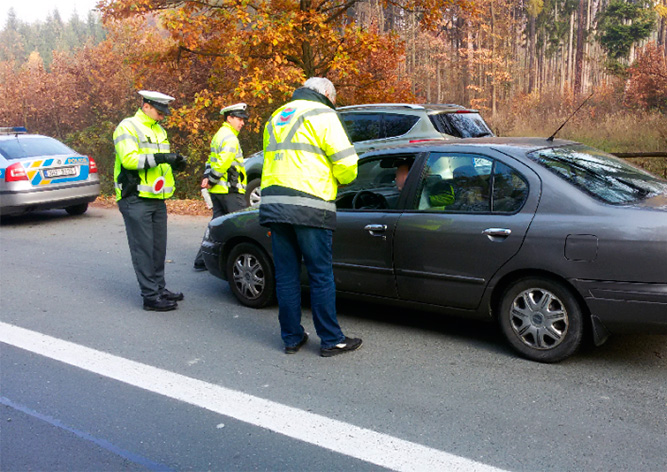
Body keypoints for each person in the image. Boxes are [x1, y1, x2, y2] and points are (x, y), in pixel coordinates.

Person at [259, 77, 362, 357]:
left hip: (275, 206)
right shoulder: (323, 114)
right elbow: (347, 163)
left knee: (287, 276)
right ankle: (331, 339)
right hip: (310, 205)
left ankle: (292, 338)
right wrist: (342, 179)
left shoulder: (277, 115)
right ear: (327, 93)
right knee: (320, 275)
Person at [113, 90, 187, 312]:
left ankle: (159, 288)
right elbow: (129, 160)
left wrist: (174, 164)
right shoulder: (127, 127)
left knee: (157, 248)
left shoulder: (159, 130)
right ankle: (150, 296)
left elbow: (158, 165)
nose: (162, 116)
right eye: (159, 111)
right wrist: (163, 158)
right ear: (145, 106)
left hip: (156, 197)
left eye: (164, 112)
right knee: (143, 249)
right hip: (135, 197)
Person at [193, 103, 250, 271]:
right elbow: (224, 161)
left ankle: (202, 260)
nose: (242, 123)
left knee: (216, 227)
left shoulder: (219, 135)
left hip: (219, 191)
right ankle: (243, 264)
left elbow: (211, 159)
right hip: (230, 191)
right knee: (243, 226)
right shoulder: (230, 138)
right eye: (239, 119)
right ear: (229, 118)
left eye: (243, 119)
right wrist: (211, 178)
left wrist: (207, 176)